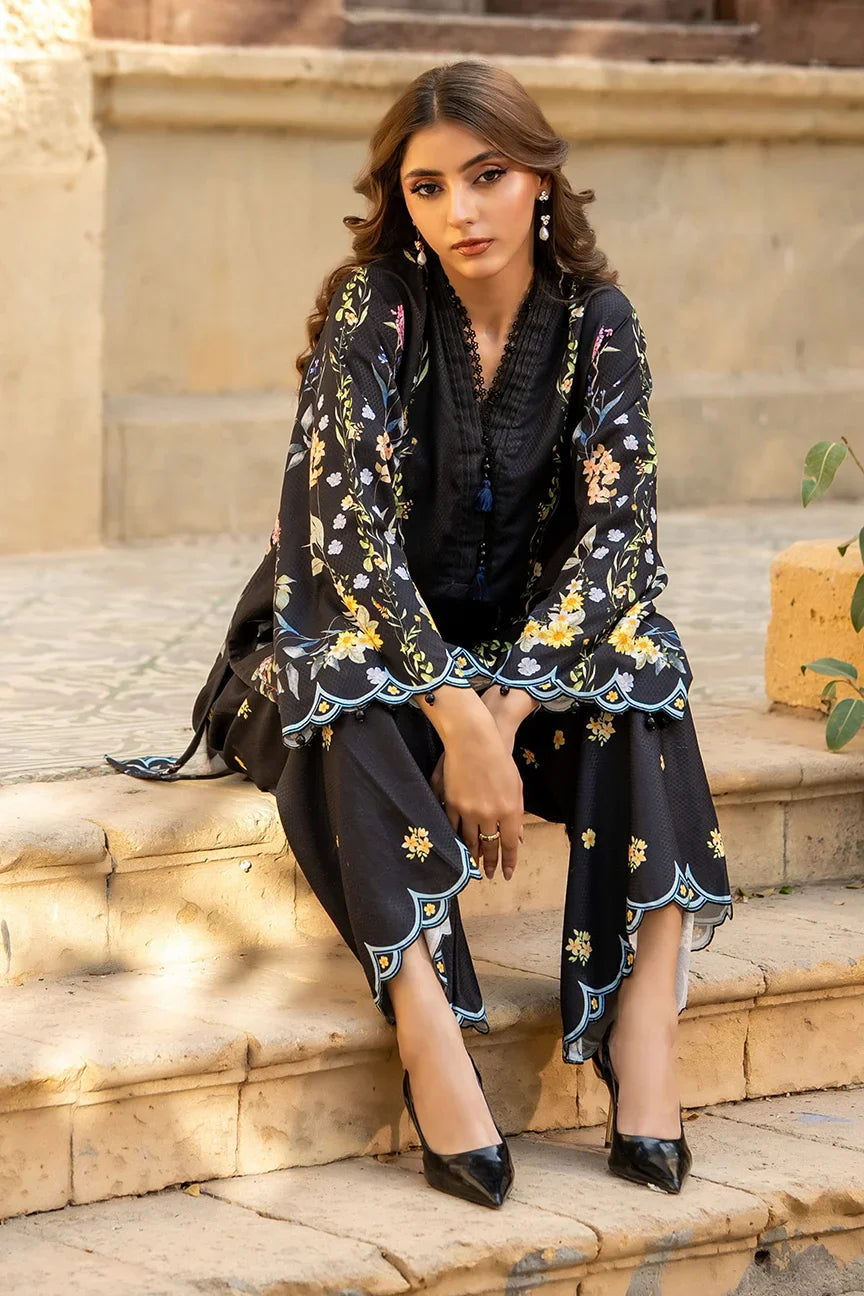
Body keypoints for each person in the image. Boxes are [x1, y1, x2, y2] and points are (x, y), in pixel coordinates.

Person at [108, 60, 732, 1207]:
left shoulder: (598, 325)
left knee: (647, 661)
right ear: (402, 200)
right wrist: (455, 713)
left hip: (513, 668)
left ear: (540, 179)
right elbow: (345, 549)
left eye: (488, 177)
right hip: (342, 642)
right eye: (429, 187)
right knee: (344, 686)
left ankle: (645, 1029)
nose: (461, 212)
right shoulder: (377, 309)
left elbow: (619, 540)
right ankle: (426, 1029)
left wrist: (505, 710)